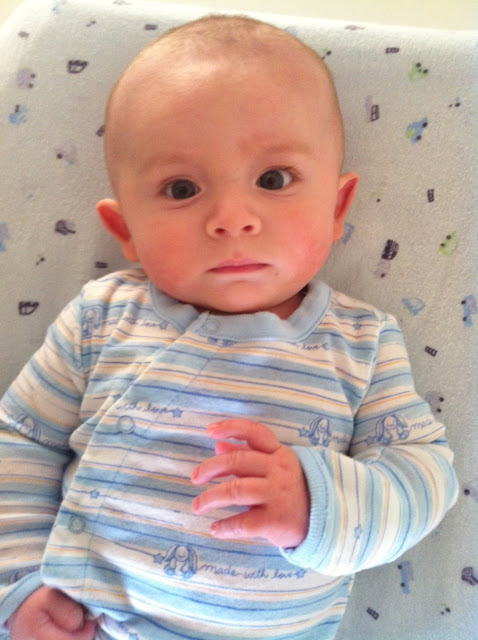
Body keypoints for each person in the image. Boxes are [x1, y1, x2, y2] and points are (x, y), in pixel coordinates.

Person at [0, 14, 458, 640]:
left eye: (273, 179)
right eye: (181, 188)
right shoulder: (101, 318)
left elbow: (424, 474)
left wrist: (319, 502)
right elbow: (20, 444)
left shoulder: (361, 344)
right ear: (126, 230)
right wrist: (20, 587)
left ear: (336, 208)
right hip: (90, 624)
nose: (232, 218)